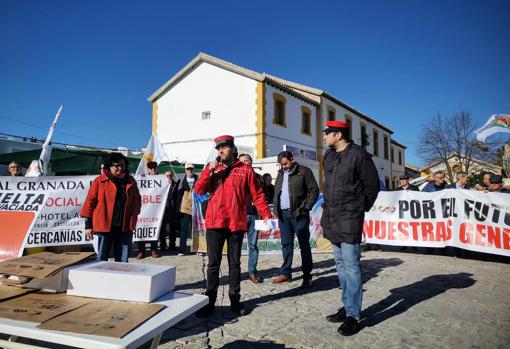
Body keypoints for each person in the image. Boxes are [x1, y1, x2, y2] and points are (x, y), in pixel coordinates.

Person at [194, 135, 271, 317]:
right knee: (213, 264)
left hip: (236, 223)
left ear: (232, 149)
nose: (220, 150)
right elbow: (199, 190)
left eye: (224, 147)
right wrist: (208, 172)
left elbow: (258, 195)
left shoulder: (245, 171)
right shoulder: (212, 169)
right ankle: (209, 301)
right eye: (218, 148)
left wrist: (266, 215)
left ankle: (235, 301)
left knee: (234, 263)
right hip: (215, 223)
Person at [321, 120, 380, 336]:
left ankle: (353, 316)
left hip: (350, 218)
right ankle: (346, 307)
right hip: (333, 218)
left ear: (338, 135)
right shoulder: (329, 156)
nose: (325, 137)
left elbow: (372, 186)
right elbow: (327, 186)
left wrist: (358, 208)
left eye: (327, 133)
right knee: (340, 264)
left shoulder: (359, 155)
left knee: (352, 266)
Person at [81, 153, 141, 262]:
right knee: (102, 259)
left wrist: (135, 213)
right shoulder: (99, 181)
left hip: (124, 227)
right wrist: (88, 225)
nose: (120, 168)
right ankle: (102, 278)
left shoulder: (131, 180)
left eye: (122, 165)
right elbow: (90, 203)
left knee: (123, 260)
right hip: (104, 227)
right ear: (109, 166)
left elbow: (137, 199)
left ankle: (120, 278)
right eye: (116, 165)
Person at [272, 151, 319, 288]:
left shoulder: (304, 171)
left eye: (285, 164)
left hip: (299, 215)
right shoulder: (281, 174)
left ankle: (307, 276)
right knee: (286, 245)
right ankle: (286, 273)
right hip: (283, 216)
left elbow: (314, 191)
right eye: (281, 165)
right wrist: (276, 209)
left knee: (304, 245)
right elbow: (277, 192)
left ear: (292, 159)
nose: (284, 167)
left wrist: (305, 208)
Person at [239, 153, 264, 284]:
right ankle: (235, 272)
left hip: (254, 215)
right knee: (236, 246)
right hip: (239, 215)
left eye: (247, 160)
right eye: (242, 161)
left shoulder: (258, 178)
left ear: (251, 162)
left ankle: (252, 272)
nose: (245, 162)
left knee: (253, 245)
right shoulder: (235, 177)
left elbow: (263, 196)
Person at [136, 161, 161, 259]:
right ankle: (141, 251)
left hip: (155, 209)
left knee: (154, 227)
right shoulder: (143, 179)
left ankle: (154, 250)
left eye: (154, 168)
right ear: (148, 170)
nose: (153, 170)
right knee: (141, 228)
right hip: (144, 209)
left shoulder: (161, 179)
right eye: (151, 168)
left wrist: (169, 178)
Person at [176, 162, 198, 255]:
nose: (190, 171)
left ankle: (197, 248)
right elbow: (177, 196)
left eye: (191, 169)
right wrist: (177, 210)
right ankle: (182, 249)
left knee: (196, 230)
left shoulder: (198, 179)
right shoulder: (180, 181)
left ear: (194, 170)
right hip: (184, 209)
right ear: (185, 170)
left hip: (196, 209)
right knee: (183, 230)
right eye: (188, 169)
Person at [160, 171, 180, 250]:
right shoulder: (161, 185)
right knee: (163, 228)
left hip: (173, 208)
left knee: (173, 228)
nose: (169, 177)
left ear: (173, 176)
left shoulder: (176, 184)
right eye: (167, 176)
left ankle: (172, 245)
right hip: (163, 209)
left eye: (170, 175)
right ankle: (163, 245)